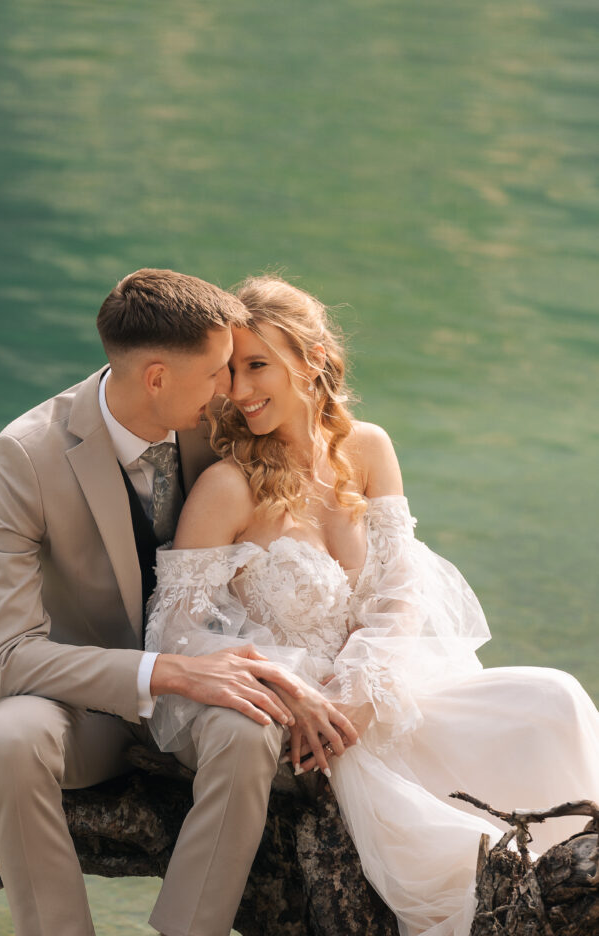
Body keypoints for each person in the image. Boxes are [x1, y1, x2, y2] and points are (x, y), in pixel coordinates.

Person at [146, 275, 599, 936]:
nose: (238, 392)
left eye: (256, 365)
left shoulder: (367, 448)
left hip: (379, 690)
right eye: (229, 372)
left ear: (313, 361)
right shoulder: (226, 486)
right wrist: (290, 691)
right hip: (305, 721)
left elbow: (400, 589)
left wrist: (364, 689)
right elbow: (173, 632)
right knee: (449, 851)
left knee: (553, 698)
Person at [0, 268, 357, 936]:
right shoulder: (26, 456)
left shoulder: (221, 426)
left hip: (207, 696)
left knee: (247, 726)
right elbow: (6, 657)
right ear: (156, 378)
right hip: (85, 705)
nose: (231, 391)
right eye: (216, 373)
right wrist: (169, 672)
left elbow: (316, 451)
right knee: (11, 737)